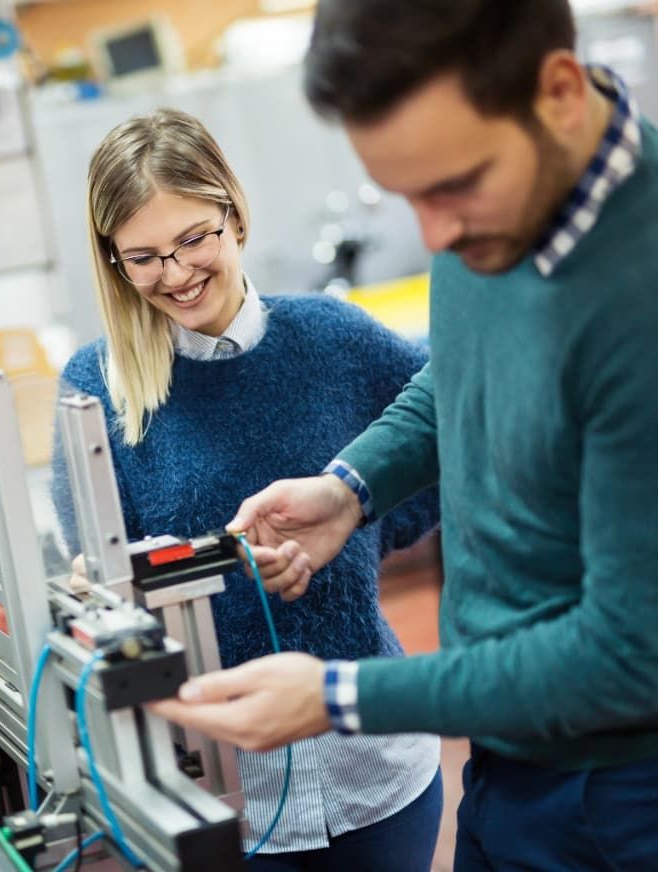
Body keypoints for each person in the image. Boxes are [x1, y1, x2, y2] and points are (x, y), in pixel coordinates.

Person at [150, 1, 658, 868]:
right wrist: (351, 489)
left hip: (617, 792)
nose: (434, 236)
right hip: (505, 752)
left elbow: (625, 656)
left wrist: (339, 698)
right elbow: (458, 373)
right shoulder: (501, 199)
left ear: (560, 92)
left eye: (450, 188)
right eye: (408, 196)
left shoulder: (636, 300)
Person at [51, 107, 443, 870]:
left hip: (376, 766)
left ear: (233, 214)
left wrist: (351, 530)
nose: (174, 274)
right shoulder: (97, 389)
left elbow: (438, 449)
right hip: (224, 791)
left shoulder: (335, 338)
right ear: (113, 261)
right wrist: (163, 581)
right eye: (143, 257)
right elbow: (106, 579)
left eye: (192, 238)